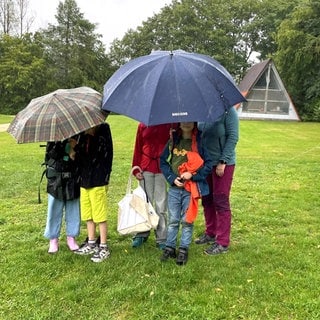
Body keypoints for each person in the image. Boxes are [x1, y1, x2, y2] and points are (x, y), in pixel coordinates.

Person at [160, 122, 212, 265]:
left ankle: (183, 249)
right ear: (179, 123)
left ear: (195, 123)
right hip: (174, 189)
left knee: (187, 221)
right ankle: (170, 247)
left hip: (190, 190)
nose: (187, 123)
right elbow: (163, 161)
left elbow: (208, 163)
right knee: (173, 220)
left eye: (190, 120)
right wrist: (171, 178)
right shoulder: (173, 140)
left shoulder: (199, 142)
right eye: (184, 121)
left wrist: (193, 175)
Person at [196, 107, 239, 255]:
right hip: (206, 163)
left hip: (223, 164)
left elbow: (233, 137)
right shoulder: (202, 110)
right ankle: (210, 232)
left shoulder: (228, 112)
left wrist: (223, 161)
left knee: (220, 200)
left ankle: (222, 242)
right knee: (207, 199)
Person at [73, 123, 113, 263]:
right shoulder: (82, 135)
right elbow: (81, 159)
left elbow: (103, 156)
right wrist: (75, 150)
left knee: (99, 214)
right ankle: (91, 242)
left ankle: (103, 246)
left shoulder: (103, 130)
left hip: (98, 180)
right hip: (85, 180)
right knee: (88, 214)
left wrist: (92, 135)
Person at [131, 123, 175, 249]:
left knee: (161, 205)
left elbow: (176, 145)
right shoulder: (143, 125)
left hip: (162, 168)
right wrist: (136, 169)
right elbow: (138, 147)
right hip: (145, 168)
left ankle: (161, 237)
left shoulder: (170, 124)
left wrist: (173, 137)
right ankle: (141, 233)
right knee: (144, 202)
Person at [43, 138, 81, 253]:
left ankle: (71, 237)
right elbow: (50, 155)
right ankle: (53, 238)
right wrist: (63, 145)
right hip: (56, 178)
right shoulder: (53, 134)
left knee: (73, 208)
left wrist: (75, 148)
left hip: (73, 176)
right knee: (54, 208)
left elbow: (82, 156)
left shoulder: (79, 134)